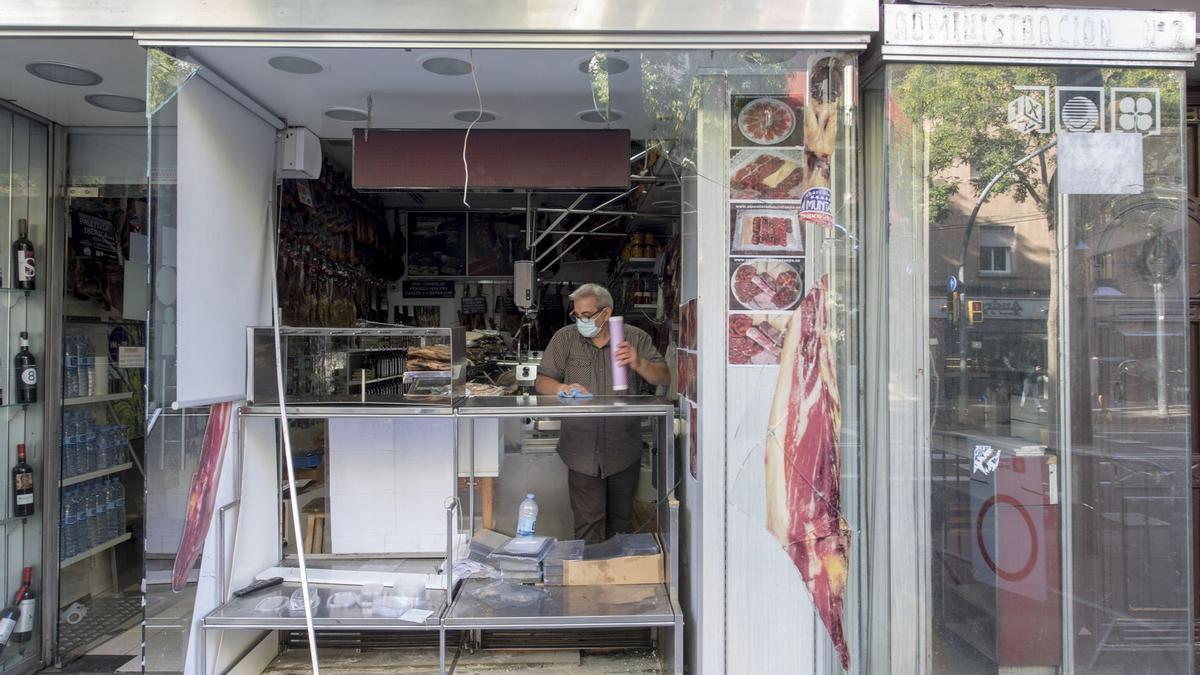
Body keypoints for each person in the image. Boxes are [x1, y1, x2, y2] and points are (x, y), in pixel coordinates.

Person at [536, 283, 671, 543]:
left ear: (605, 313)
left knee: (621, 525)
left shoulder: (635, 338)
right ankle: (589, 579)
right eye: (576, 315)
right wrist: (562, 387)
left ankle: (615, 578)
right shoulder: (565, 338)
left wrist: (637, 362)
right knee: (588, 524)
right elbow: (542, 382)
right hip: (581, 451)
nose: (580, 321)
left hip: (624, 449)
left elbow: (663, 376)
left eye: (586, 315)